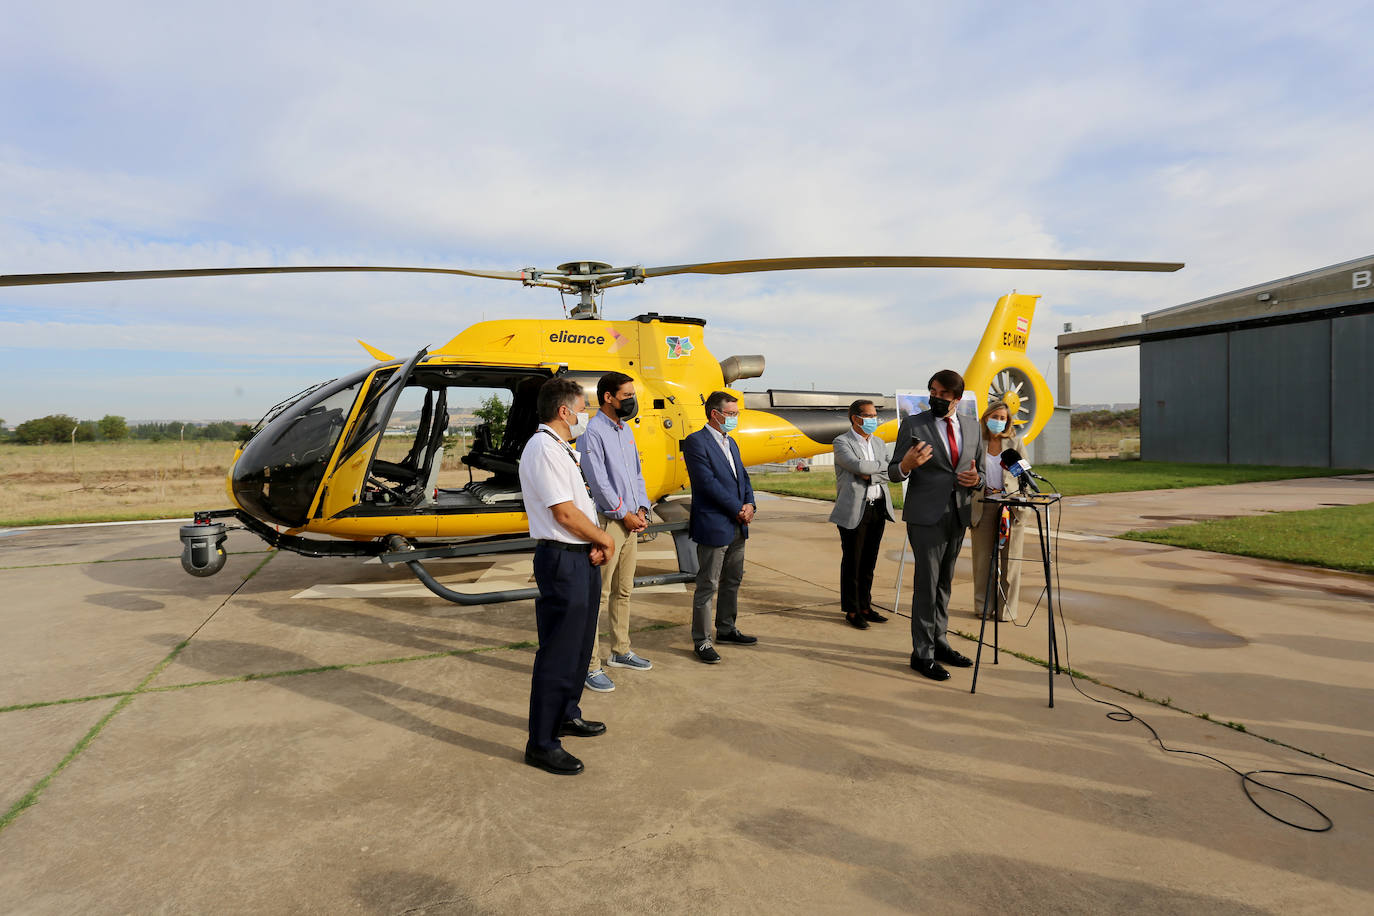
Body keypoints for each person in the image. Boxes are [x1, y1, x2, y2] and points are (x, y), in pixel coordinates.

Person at [518, 376, 616, 775]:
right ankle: (541, 742)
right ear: (564, 411)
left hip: (579, 555)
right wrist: (605, 541)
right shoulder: (543, 448)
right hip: (562, 560)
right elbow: (564, 514)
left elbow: (579, 508)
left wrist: (593, 541)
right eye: (581, 408)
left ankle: (565, 713)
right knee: (559, 651)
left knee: (578, 647)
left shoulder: (561, 447)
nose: (584, 415)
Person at [888, 370, 985, 682]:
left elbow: (978, 469)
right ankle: (922, 653)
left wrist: (977, 479)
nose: (936, 398)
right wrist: (907, 465)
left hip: (958, 514)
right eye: (933, 391)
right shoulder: (915, 424)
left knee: (944, 584)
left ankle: (940, 643)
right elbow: (893, 470)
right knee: (926, 587)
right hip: (925, 516)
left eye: (943, 394)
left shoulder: (972, 427)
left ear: (956, 398)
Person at [579, 371, 654, 692]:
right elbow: (598, 480)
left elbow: (637, 474)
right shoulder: (593, 432)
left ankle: (620, 650)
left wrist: (641, 509)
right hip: (609, 522)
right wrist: (623, 514)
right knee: (599, 595)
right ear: (608, 397)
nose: (631, 400)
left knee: (624, 590)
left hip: (631, 521)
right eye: (626, 395)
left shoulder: (625, 431)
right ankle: (590, 664)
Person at [681, 391, 758, 663]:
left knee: (733, 580)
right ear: (715, 414)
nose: (735, 419)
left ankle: (726, 628)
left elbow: (743, 478)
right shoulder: (696, 442)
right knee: (708, 584)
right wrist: (737, 509)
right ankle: (702, 640)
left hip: (738, 524)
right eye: (732, 414)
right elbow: (706, 483)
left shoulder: (731, 442)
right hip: (715, 523)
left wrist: (750, 503)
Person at [829, 399, 896, 629]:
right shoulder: (841, 442)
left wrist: (873, 473)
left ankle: (866, 606)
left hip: (877, 507)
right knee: (853, 561)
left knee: (869, 561)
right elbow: (858, 468)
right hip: (854, 510)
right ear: (856, 418)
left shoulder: (879, 442)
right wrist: (876, 469)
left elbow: (890, 470)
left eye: (875, 416)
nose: (873, 420)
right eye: (869, 416)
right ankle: (852, 609)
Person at [970, 399, 1027, 623]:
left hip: (1010, 508)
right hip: (983, 507)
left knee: (1010, 561)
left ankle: (1007, 610)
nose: (999, 421)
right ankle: (983, 607)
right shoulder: (976, 443)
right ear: (986, 418)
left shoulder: (1015, 443)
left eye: (1003, 418)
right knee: (983, 561)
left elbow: (1022, 477)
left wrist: (1018, 498)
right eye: (995, 417)